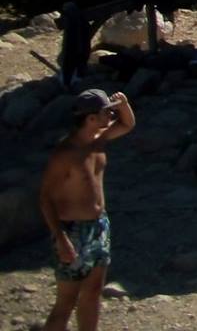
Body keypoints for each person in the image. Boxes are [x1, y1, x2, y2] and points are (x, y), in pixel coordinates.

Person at [39, 88, 134, 331]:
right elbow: (46, 197)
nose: (110, 115)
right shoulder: (65, 154)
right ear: (91, 118)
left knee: (92, 293)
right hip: (72, 230)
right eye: (106, 112)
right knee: (66, 301)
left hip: (99, 226)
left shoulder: (99, 138)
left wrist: (123, 105)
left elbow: (127, 124)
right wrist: (60, 238)